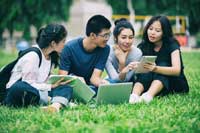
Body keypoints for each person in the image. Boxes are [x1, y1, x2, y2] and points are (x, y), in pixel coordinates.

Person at [3, 24, 72, 112]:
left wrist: (53, 80)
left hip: (38, 91)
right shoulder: (33, 56)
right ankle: (53, 100)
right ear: (53, 43)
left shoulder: (51, 56)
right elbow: (28, 83)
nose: (64, 44)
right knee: (19, 87)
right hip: (19, 92)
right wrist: (50, 86)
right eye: (63, 41)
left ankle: (55, 106)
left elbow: (41, 79)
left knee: (66, 87)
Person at [129, 15, 189, 104]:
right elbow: (139, 71)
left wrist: (155, 68)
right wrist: (137, 66)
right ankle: (134, 96)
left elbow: (177, 70)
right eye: (150, 29)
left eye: (157, 31)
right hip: (150, 82)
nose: (152, 33)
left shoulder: (172, 44)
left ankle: (148, 96)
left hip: (173, 83)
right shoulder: (144, 46)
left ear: (164, 32)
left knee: (163, 65)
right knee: (145, 69)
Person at [59, 15, 111, 95]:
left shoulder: (105, 49)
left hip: (90, 87)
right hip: (72, 85)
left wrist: (104, 83)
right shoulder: (69, 48)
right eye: (105, 35)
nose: (107, 38)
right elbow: (62, 77)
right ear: (93, 35)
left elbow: (94, 78)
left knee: (110, 83)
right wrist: (76, 79)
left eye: (109, 35)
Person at [105, 18, 142, 82]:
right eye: (123, 37)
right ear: (115, 38)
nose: (127, 41)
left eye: (131, 37)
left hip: (130, 84)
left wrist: (122, 63)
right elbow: (114, 80)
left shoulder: (137, 53)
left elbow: (125, 80)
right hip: (110, 82)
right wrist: (122, 62)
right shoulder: (107, 52)